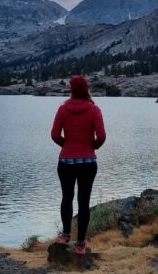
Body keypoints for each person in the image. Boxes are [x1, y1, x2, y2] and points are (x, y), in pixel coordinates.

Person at [50, 75, 106, 255]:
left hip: (66, 161)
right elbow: (102, 137)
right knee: (84, 201)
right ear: (87, 89)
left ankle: (65, 236)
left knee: (67, 198)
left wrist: (67, 145)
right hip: (88, 162)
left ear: (72, 90)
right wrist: (92, 146)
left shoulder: (63, 109)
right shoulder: (94, 110)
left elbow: (55, 135)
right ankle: (81, 244)